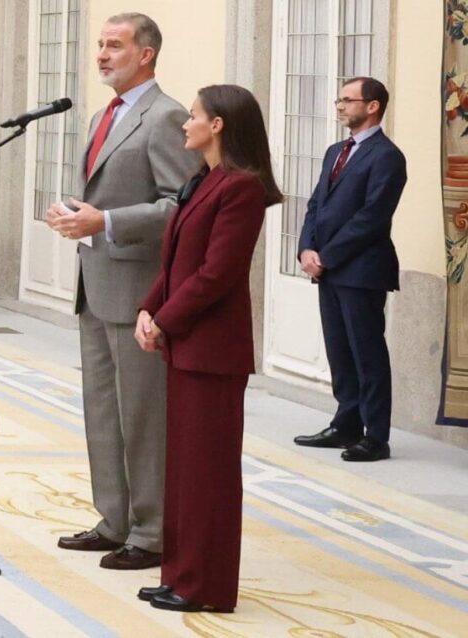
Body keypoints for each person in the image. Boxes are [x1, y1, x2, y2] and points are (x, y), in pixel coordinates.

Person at [45, 13, 200, 570]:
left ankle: (152, 531)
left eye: (116, 45)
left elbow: (182, 206)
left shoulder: (166, 117)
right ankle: (113, 520)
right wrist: (72, 215)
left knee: (142, 415)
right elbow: (103, 193)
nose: (103, 54)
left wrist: (105, 221)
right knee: (102, 411)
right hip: (95, 284)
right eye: (101, 45)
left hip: (138, 290)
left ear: (147, 54)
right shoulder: (101, 115)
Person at [135, 84, 283, 613]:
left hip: (213, 351)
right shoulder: (203, 179)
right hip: (186, 345)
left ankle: (207, 587)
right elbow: (175, 260)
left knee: (210, 476)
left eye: (193, 116)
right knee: (185, 472)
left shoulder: (240, 189)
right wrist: (148, 310)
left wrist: (165, 322)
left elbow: (217, 274)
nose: (185, 124)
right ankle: (180, 574)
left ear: (218, 124)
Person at [293, 77, 407, 462]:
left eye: (348, 100)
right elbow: (315, 205)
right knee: (339, 352)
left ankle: (376, 436)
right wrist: (306, 248)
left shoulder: (387, 156)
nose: (340, 106)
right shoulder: (334, 151)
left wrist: (327, 255)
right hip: (328, 268)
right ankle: (346, 425)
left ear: (372, 106)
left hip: (361, 270)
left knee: (367, 353)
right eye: (339, 99)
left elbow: (372, 217)